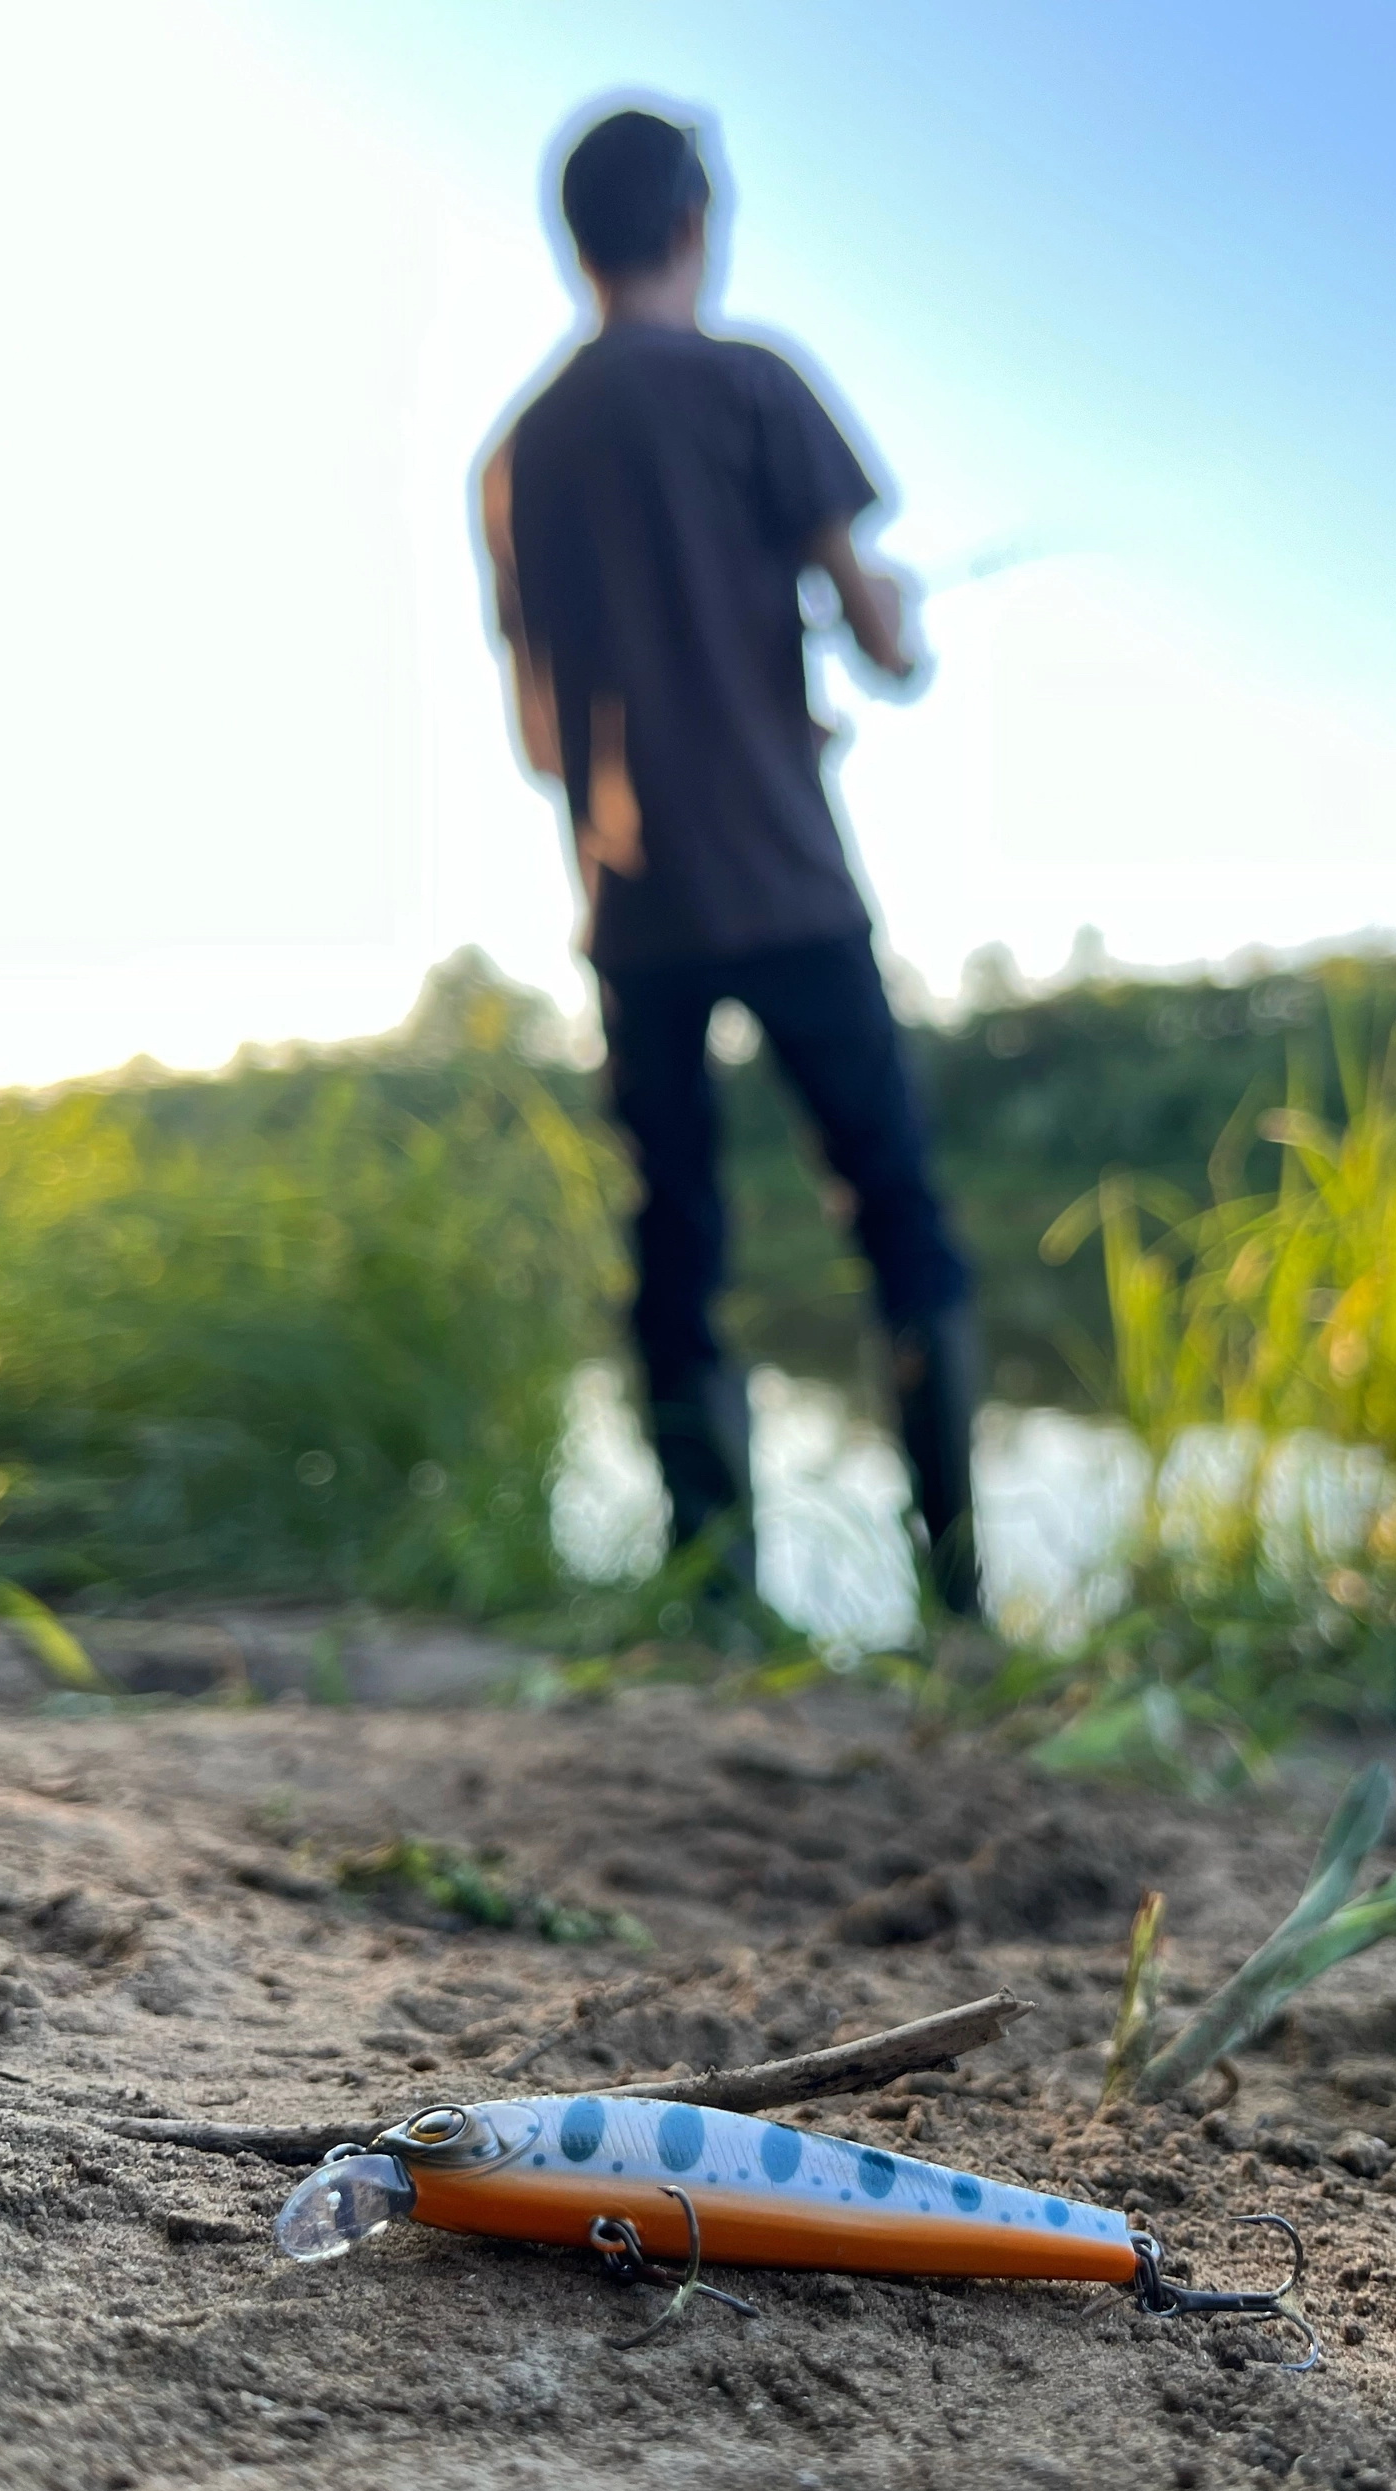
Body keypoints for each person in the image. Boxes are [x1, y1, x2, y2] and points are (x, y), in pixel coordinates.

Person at [480, 104, 980, 1619]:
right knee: (893, 1204)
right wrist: (870, 620)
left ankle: (715, 1597)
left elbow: (541, 746)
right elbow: (887, 645)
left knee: (675, 1236)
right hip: (787, 878)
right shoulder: (755, 384)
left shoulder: (515, 456)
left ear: (579, 236)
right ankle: (955, 1599)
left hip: (633, 905)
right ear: (696, 220)